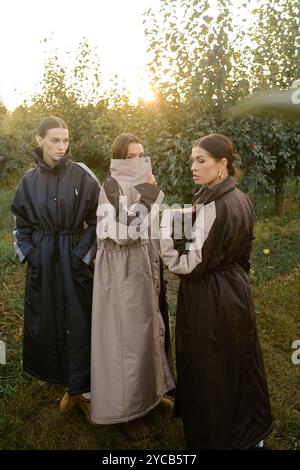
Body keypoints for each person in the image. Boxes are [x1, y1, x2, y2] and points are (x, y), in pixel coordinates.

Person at [160, 133, 272, 449]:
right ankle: (250, 432)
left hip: (209, 299)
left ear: (221, 164)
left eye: (201, 160)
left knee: (209, 366)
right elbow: (243, 250)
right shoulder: (240, 198)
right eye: (192, 160)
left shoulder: (213, 205)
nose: (193, 167)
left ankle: (219, 437)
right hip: (236, 290)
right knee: (238, 361)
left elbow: (188, 265)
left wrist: (165, 238)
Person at [11, 116, 100, 417]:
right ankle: (68, 385)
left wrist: (80, 254)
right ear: (40, 140)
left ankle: (86, 391)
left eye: (65, 140)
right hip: (45, 261)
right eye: (54, 140)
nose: (62, 146)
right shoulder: (28, 181)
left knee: (81, 322)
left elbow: (100, 219)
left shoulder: (82, 175)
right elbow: (20, 225)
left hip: (75, 259)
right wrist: (32, 255)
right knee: (49, 320)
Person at [90, 133, 175, 439]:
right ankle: (127, 412)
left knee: (149, 333)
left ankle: (152, 395)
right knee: (125, 343)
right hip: (122, 273)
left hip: (143, 267)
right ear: (119, 158)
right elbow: (124, 232)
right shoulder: (111, 187)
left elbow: (149, 225)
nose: (138, 161)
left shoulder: (141, 183)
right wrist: (150, 193)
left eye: (142, 154)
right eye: (131, 156)